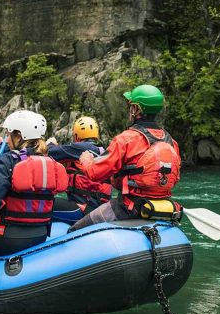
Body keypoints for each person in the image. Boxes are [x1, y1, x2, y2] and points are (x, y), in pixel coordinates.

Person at [68, 85, 182, 232]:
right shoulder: (172, 143)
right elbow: (175, 178)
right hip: (162, 207)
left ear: (136, 109)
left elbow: (95, 173)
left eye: (131, 106)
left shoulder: (125, 139)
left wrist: (86, 161)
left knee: (75, 230)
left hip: (127, 208)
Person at [0, 110, 68, 255]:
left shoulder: (6, 161)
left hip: (7, 239)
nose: (6, 139)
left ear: (18, 136)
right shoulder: (51, 163)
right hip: (40, 235)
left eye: (8, 134)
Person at [47, 116, 112, 222]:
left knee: (43, 204)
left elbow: (49, 152)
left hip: (84, 210)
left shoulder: (79, 148)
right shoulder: (102, 150)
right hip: (100, 210)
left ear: (76, 136)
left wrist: (50, 143)